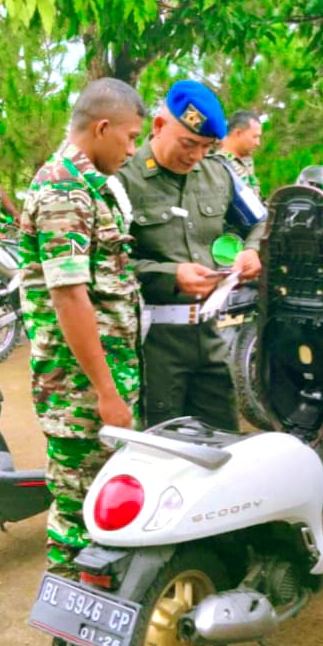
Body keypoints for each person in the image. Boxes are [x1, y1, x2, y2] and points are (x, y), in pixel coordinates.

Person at [18, 77, 147, 646]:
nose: (132, 149)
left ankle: (87, 632)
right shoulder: (64, 189)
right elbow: (69, 295)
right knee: (75, 514)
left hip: (100, 382)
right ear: (101, 128)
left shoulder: (93, 184)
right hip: (79, 391)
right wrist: (106, 391)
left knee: (99, 507)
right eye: (128, 137)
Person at [117, 80, 264, 430]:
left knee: (223, 442)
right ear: (158, 127)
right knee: (165, 449)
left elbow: (259, 222)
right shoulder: (123, 180)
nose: (196, 156)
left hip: (210, 337)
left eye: (206, 146)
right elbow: (111, 266)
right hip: (153, 345)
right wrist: (170, 275)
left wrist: (252, 251)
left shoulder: (217, 173)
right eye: (188, 144)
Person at [213, 109, 263, 198]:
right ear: (238, 133)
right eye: (255, 137)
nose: (258, 143)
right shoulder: (217, 164)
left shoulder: (246, 162)